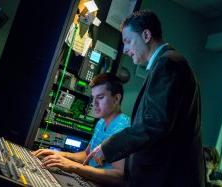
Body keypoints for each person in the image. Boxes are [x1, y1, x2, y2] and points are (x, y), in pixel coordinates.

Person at [84, 10, 205, 187]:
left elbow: (153, 125)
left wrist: (107, 148)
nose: (125, 49)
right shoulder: (165, 63)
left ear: (146, 35)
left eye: (127, 41)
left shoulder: (168, 63)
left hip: (168, 179)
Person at [32, 73, 130, 186]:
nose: (94, 103)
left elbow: (118, 176)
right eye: (93, 98)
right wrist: (61, 155)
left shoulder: (123, 127)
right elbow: (86, 154)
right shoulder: (101, 122)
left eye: (100, 97)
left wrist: (72, 166)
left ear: (116, 98)